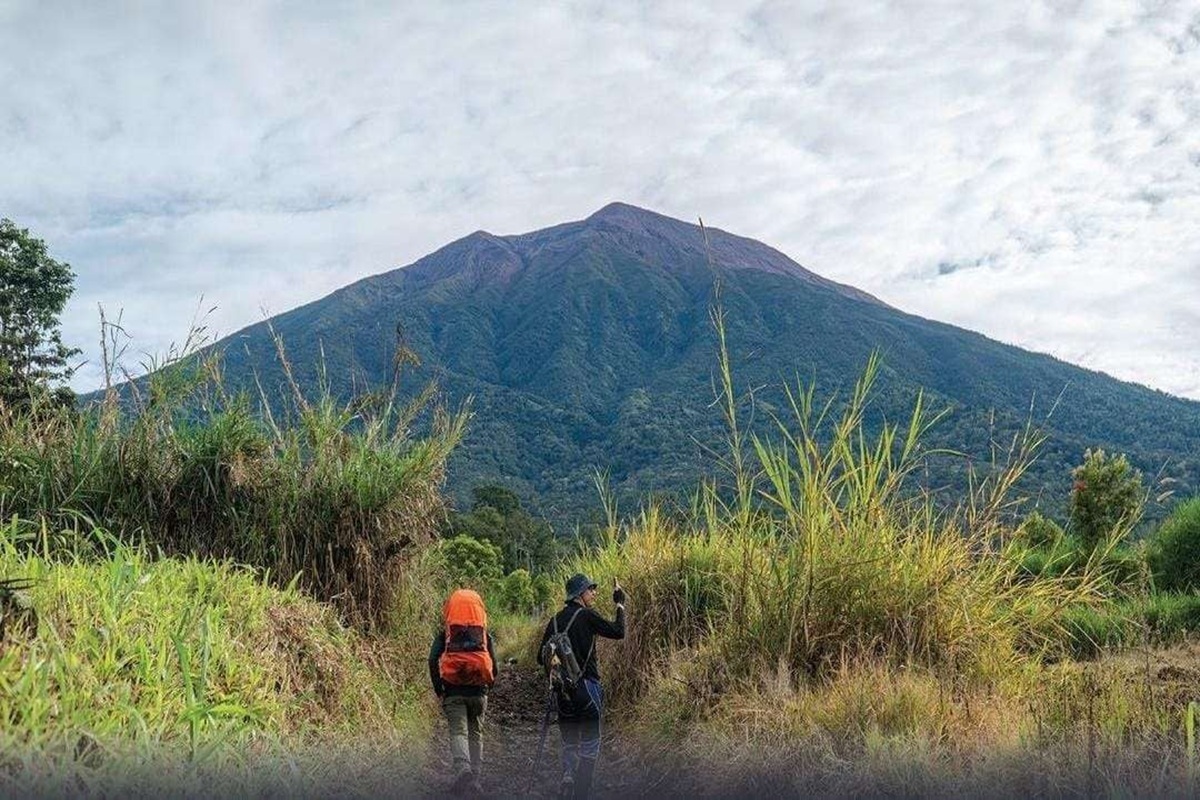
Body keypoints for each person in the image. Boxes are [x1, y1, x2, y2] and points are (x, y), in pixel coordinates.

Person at [538, 573, 626, 799]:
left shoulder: (555, 621)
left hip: (563, 694)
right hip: (588, 690)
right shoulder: (587, 616)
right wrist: (619, 603)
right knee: (590, 746)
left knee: (569, 743)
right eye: (590, 589)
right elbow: (618, 631)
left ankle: (568, 774)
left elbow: (541, 657)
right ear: (580, 594)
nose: (594, 592)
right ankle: (580, 792)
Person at [430, 588, 498, 794]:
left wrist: (438, 688)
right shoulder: (484, 635)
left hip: (453, 691)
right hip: (478, 692)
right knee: (475, 732)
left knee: (459, 731)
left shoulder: (447, 635)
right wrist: (488, 685)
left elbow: (432, 659)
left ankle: (463, 768)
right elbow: (494, 666)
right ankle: (474, 777)